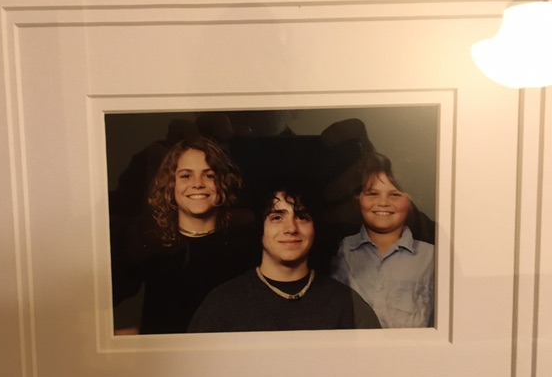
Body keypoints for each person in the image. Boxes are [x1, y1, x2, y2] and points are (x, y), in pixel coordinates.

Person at [111, 136, 255, 334]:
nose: (197, 184)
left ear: (224, 182)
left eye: (209, 175)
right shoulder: (148, 248)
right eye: (186, 175)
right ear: (171, 184)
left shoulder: (245, 250)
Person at [188, 184, 379, 332]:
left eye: (301, 217)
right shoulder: (223, 303)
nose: (291, 228)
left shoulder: (346, 304)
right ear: (259, 228)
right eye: (277, 218)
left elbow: (375, 367)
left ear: (315, 228)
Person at [331, 152, 434, 328]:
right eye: (372, 194)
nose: (383, 202)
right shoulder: (340, 251)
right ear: (358, 198)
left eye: (394, 195)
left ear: (410, 200)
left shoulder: (432, 258)